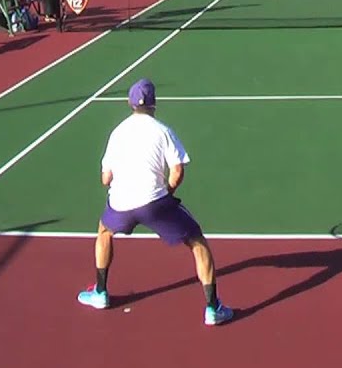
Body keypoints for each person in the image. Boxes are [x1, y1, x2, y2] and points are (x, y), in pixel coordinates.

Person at [77, 78, 235, 326]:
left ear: (130, 103)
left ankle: (100, 293)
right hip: (156, 203)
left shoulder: (117, 132)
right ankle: (213, 308)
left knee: (104, 231)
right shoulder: (163, 131)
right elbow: (177, 171)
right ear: (154, 104)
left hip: (120, 203)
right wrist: (167, 191)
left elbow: (105, 177)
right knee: (197, 242)